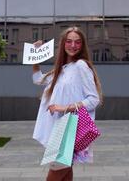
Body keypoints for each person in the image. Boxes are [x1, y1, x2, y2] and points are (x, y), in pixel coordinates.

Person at [31, 27, 103, 181]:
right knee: (65, 172)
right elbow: (38, 79)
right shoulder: (62, 69)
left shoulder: (81, 66)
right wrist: (35, 55)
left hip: (69, 128)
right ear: (63, 44)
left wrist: (64, 107)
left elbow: (93, 99)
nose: (73, 45)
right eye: (69, 41)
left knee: (56, 171)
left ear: (82, 45)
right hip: (60, 127)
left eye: (77, 42)